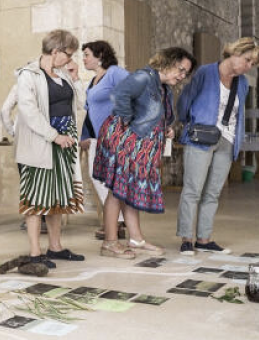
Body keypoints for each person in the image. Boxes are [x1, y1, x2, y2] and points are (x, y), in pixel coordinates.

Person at [93, 47, 196, 259]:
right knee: (116, 190)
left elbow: (157, 114)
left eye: (185, 73)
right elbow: (120, 94)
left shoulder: (164, 88)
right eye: (181, 70)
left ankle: (136, 239)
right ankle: (109, 243)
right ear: (168, 62)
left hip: (140, 147)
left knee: (127, 190)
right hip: (123, 142)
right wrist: (129, 122)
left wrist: (165, 127)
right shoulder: (143, 77)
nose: (182, 76)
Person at [176, 38, 258, 256]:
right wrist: (188, 123)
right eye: (248, 60)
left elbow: (236, 113)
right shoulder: (205, 72)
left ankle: (204, 239)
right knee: (193, 189)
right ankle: (186, 239)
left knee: (212, 193)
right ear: (235, 53)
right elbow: (185, 100)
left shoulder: (241, 83)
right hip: (201, 137)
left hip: (227, 140)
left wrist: (234, 140)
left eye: (253, 64)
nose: (249, 66)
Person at [15, 30, 86, 270]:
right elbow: (28, 111)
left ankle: (55, 247)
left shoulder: (64, 74)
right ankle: (35, 252)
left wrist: (76, 79)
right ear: (55, 51)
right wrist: (54, 136)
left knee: (59, 196)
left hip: (66, 141)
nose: (71, 59)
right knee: (36, 197)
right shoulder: (28, 75)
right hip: (42, 141)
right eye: (69, 54)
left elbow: (81, 103)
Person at [78, 41, 129, 240]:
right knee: (97, 177)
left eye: (87, 54)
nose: (84, 59)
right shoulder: (93, 81)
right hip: (95, 138)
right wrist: (84, 136)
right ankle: (117, 221)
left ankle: (116, 223)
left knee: (113, 180)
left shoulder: (114, 72)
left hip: (114, 137)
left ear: (100, 55)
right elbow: (90, 111)